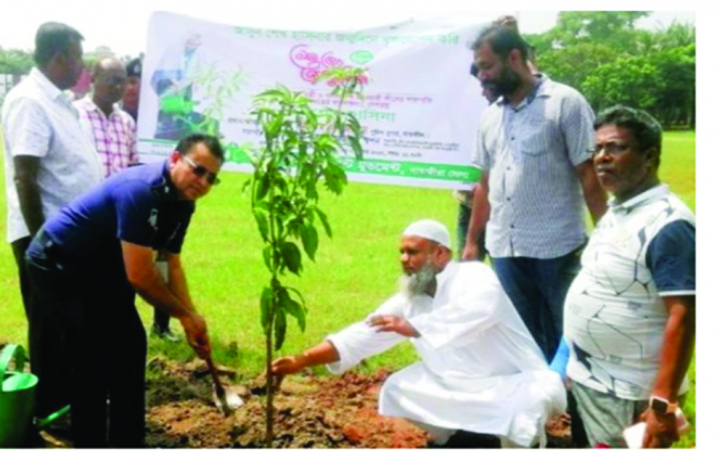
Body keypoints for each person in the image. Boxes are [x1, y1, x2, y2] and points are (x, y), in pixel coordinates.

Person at [271, 219, 566, 448]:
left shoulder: (474, 276)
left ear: (440, 254)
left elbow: (481, 309)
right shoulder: (410, 298)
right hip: (458, 387)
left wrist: (415, 327)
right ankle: (459, 439)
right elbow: (362, 334)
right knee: (399, 388)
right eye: (401, 251)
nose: (403, 258)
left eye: (412, 251)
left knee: (530, 404)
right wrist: (301, 360)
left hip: (511, 384)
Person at [24, 133, 223, 447]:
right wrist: (183, 316)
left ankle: (127, 440)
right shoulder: (140, 191)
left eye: (212, 178)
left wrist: (192, 316)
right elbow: (141, 276)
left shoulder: (184, 204)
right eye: (197, 169)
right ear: (174, 159)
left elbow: (170, 264)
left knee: (129, 343)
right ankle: (90, 440)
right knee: (89, 354)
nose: (203, 181)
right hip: (60, 263)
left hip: (102, 263)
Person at [463, 21, 607, 363]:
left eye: (487, 66)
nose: (481, 76)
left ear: (514, 57)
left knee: (570, 336)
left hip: (557, 249)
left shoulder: (564, 104)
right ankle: (537, 410)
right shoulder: (489, 117)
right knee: (522, 340)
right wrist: (472, 243)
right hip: (506, 250)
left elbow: (588, 175)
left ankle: (577, 413)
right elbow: (484, 183)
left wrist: (606, 238)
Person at [563, 106, 695, 448]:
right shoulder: (617, 210)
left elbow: (683, 316)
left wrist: (661, 403)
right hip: (590, 379)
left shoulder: (669, 225)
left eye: (616, 147)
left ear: (649, 157)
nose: (601, 158)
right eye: (598, 149)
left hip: (626, 392)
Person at [1, 21, 104, 421]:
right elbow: (25, 175)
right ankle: (48, 410)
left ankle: (66, 404)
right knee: (50, 325)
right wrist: (44, 239)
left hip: (71, 235)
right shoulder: (30, 100)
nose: (82, 67)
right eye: (78, 57)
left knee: (70, 323)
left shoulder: (58, 101)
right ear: (60, 56)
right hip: (45, 237)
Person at [74, 57, 138, 178]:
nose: (118, 87)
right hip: (85, 195)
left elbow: (132, 164)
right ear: (93, 79)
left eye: (122, 81)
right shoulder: (74, 114)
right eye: (111, 80)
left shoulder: (127, 122)